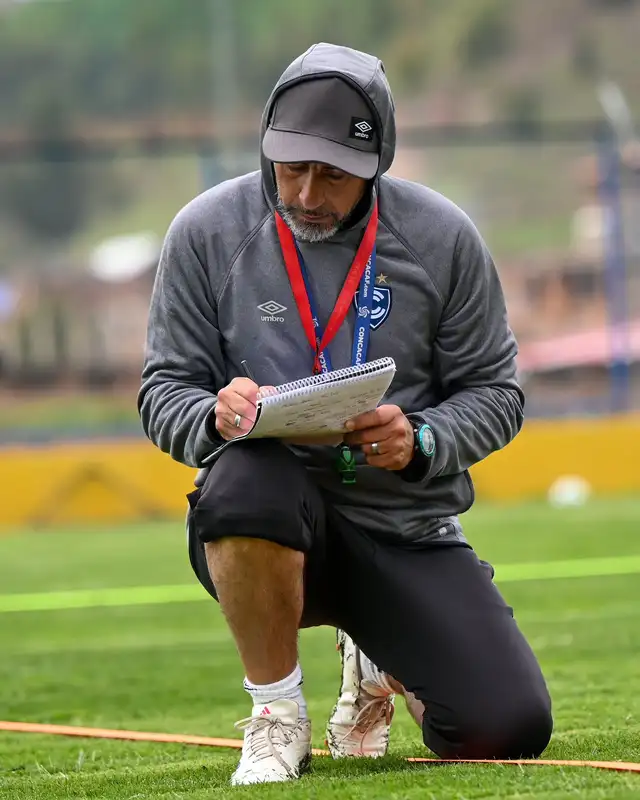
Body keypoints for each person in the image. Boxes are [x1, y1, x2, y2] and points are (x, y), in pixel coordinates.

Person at [138, 42, 553, 786]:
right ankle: (276, 715)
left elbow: (498, 392)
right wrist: (214, 417)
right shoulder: (205, 233)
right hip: (268, 522)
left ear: (378, 162)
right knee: (242, 478)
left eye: (332, 174)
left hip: (402, 525)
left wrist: (423, 438)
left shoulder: (442, 238)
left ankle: (377, 660)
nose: (303, 193)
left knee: (506, 728)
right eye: (289, 167)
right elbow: (164, 389)